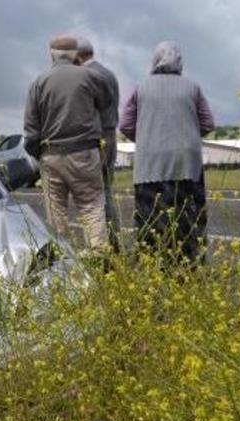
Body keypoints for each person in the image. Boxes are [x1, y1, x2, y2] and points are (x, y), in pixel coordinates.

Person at [119, 41, 215, 264]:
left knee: (150, 215)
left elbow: (125, 125)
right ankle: (190, 261)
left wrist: (146, 139)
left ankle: (153, 262)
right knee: (188, 215)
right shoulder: (193, 87)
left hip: (150, 163)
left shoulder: (141, 87)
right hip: (186, 161)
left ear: (155, 60)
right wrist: (187, 135)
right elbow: (208, 123)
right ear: (180, 61)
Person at [24, 35, 112, 251]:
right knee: (91, 207)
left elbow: (31, 129)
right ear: (76, 55)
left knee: (56, 213)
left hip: (51, 153)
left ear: (51, 54)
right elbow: (106, 101)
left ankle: (62, 261)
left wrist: (40, 154)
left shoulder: (39, 82)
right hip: (84, 152)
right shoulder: (90, 77)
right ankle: (99, 258)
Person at [77, 37, 122, 253]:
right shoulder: (109, 74)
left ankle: (101, 244)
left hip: (95, 138)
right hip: (111, 133)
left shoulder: (86, 76)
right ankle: (113, 241)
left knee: (92, 194)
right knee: (106, 189)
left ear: (78, 56)